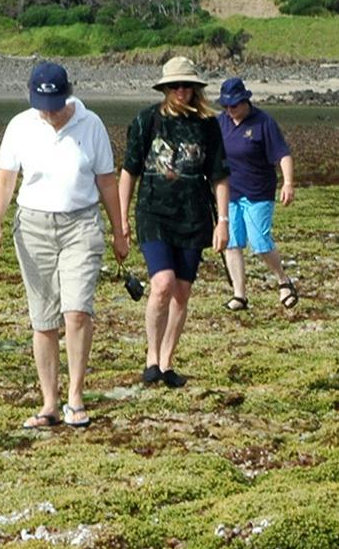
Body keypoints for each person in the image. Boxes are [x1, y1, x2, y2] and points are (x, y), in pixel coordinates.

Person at [0, 60, 129, 428]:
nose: (48, 113)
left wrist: (119, 230)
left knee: (77, 310)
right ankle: (49, 402)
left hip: (81, 223)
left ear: (67, 95)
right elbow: (6, 179)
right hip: (33, 226)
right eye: (42, 105)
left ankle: (75, 396)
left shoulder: (90, 124)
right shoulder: (20, 125)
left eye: (54, 105)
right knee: (44, 318)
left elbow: (108, 181)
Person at [118, 56, 229, 388]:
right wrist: (120, 219)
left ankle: (167, 363)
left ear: (196, 89)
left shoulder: (209, 125)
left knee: (182, 291)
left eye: (188, 86)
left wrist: (222, 221)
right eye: (176, 85)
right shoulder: (146, 120)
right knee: (162, 284)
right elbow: (129, 171)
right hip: (154, 213)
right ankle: (151, 358)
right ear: (165, 88)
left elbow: (220, 176)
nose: (182, 91)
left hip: (195, 216)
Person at [214, 77, 297, 310]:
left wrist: (288, 183)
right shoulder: (221, 123)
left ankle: (283, 281)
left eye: (235, 106)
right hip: (230, 192)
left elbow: (283, 154)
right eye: (226, 107)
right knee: (232, 242)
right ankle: (239, 294)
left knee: (259, 241)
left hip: (258, 191)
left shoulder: (263, 123)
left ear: (245, 101)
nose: (231, 111)